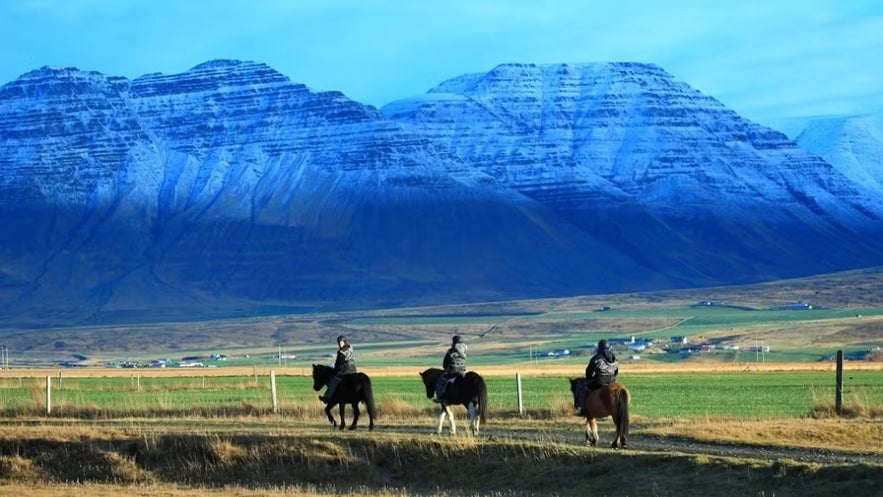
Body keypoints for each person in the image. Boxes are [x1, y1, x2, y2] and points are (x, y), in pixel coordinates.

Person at [578, 339, 619, 414]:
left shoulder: (596, 358)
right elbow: (616, 370)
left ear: (599, 348)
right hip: (612, 380)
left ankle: (584, 410)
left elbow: (589, 371)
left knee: (584, 389)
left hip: (600, 381)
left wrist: (589, 379)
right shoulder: (614, 358)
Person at [319, 335, 356, 403]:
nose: (339, 344)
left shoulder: (342, 352)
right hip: (353, 369)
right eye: (338, 342)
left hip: (345, 371)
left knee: (333, 382)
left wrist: (335, 370)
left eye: (340, 342)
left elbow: (338, 364)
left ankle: (327, 397)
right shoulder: (350, 348)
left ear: (344, 342)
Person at [434, 335, 467, 402]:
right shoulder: (464, 351)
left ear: (454, 343)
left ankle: (441, 397)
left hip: (453, 371)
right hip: (463, 371)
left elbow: (444, 365)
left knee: (440, 380)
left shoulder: (450, 352)